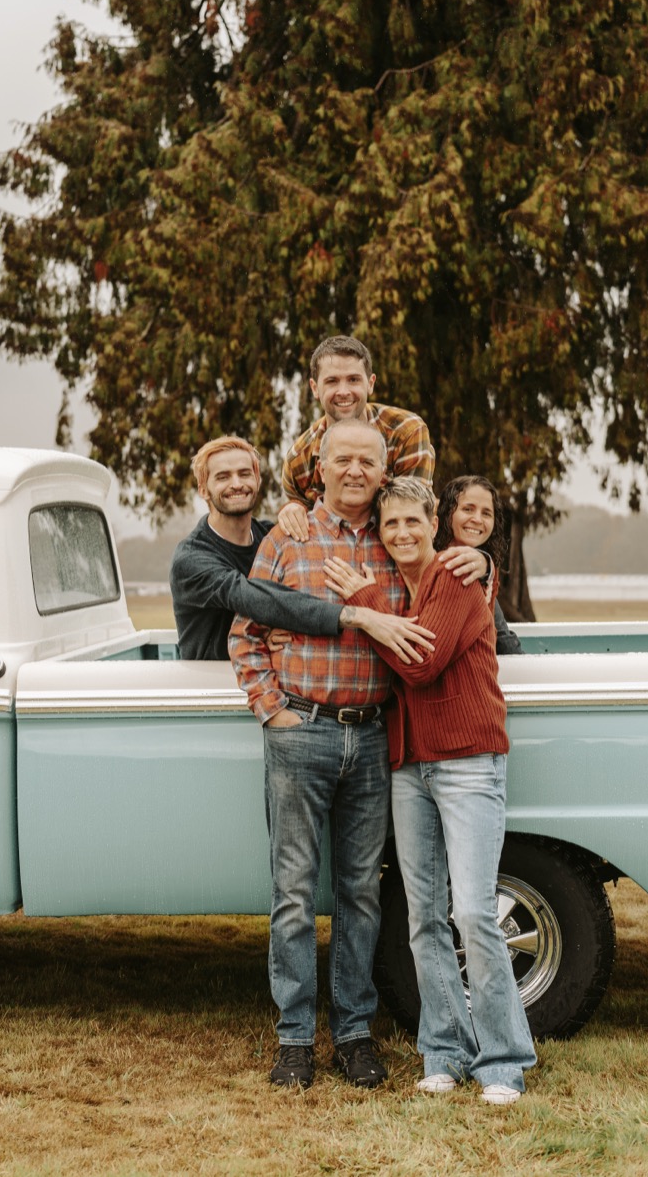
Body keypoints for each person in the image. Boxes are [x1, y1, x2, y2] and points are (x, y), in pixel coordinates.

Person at [325, 475, 537, 1105]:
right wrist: (372, 602)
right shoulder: (398, 587)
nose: (401, 534)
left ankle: (502, 1061)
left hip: (468, 760)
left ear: (433, 521)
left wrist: (363, 604)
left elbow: (421, 662)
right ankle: (443, 1051)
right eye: (389, 525)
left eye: (413, 522)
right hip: (408, 764)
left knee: (473, 912)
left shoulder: (458, 578)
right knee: (423, 916)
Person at [228, 418, 401, 1091]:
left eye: (368, 460)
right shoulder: (288, 538)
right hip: (304, 732)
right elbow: (246, 633)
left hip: (374, 733)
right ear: (320, 467)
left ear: (383, 472)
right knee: (294, 891)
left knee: (361, 891)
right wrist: (274, 709)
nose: (356, 470)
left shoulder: (396, 538)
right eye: (343, 459)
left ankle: (354, 1032)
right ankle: (295, 1036)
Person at [170, 435, 434, 664]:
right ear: (203, 489)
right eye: (223, 477)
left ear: (258, 479)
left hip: (265, 674)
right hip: (210, 684)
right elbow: (250, 595)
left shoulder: (274, 536)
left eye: (244, 473)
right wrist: (359, 616)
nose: (237, 484)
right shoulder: (192, 559)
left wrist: (477, 558)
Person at [275, 336, 434, 542]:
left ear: (370, 383)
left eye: (353, 380)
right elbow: (304, 527)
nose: (343, 392)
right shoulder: (299, 460)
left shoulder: (405, 433)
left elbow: (413, 516)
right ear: (315, 388)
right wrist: (292, 509)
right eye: (332, 381)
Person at [434, 475, 524, 656]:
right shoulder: (432, 562)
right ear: (447, 512)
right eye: (468, 509)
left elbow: (501, 638)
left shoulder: (484, 570)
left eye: (486, 513)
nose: (477, 519)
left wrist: (487, 566)